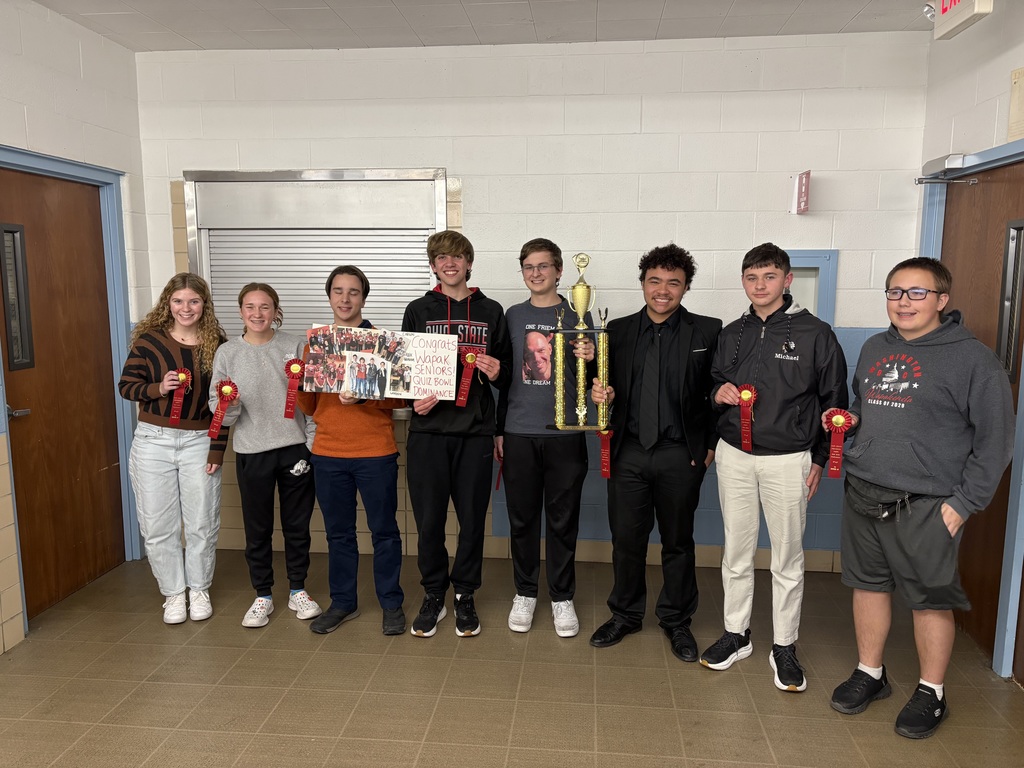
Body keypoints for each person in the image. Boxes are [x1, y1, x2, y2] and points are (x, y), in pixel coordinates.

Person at [830, 257, 1014, 739]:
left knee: (931, 601)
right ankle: (871, 674)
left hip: (929, 503)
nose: (904, 302)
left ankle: (932, 691)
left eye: (917, 293)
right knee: (867, 586)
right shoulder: (873, 347)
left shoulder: (974, 360)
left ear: (942, 300)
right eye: (895, 292)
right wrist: (850, 440)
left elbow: (996, 442)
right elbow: (860, 407)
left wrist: (963, 504)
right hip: (864, 491)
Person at [701, 243, 848, 691]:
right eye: (751, 277)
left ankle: (784, 645)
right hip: (735, 456)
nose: (759, 286)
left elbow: (834, 402)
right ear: (743, 282)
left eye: (769, 277)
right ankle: (736, 633)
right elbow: (712, 386)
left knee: (787, 558)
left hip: (789, 459)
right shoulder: (731, 332)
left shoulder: (816, 333)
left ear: (787, 280)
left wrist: (820, 459)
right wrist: (718, 395)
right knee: (736, 551)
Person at [590, 244, 721, 662]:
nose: (662, 290)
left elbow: (718, 393)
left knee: (678, 542)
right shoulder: (617, 332)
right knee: (626, 540)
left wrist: (711, 446)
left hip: (680, 454)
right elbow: (599, 387)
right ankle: (625, 615)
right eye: (655, 281)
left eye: (673, 283)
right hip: (628, 451)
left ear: (685, 288)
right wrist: (599, 394)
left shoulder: (708, 331)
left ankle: (676, 621)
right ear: (643, 283)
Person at [402, 229, 512, 638]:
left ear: (469, 262)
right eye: (441, 258)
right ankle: (434, 594)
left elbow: (508, 375)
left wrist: (498, 370)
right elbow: (405, 371)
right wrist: (414, 400)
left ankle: (465, 595)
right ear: (433, 265)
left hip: (476, 433)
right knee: (428, 521)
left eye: (457, 257)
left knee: (471, 522)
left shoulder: (492, 310)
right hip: (429, 432)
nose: (450, 264)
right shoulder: (417, 309)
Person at [297, 265, 407, 635]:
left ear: (364, 297)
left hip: (375, 452)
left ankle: (391, 602)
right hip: (328, 453)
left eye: (353, 292)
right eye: (338, 291)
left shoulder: (381, 341)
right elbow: (310, 407)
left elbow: (397, 400)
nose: (345, 299)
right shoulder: (316, 343)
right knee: (338, 534)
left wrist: (364, 397)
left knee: (384, 531)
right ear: (329, 296)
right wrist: (298, 381)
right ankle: (343, 602)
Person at [496, 238, 595, 638]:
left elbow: (592, 382)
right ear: (523, 273)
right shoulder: (511, 316)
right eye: (528, 267)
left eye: (543, 266)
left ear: (558, 271)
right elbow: (502, 379)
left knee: (562, 520)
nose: (536, 273)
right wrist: (499, 430)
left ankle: (561, 597)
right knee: (521, 519)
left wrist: (591, 361)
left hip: (565, 434)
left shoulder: (579, 315)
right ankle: (524, 593)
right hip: (519, 433)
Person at [210, 283, 321, 629]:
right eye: (250, 307)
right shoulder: (227, 353)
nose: (257, 314)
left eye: (265, 307)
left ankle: (298, 591)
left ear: (276, 311)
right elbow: (220, 414)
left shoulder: (295, 347)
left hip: (294, 449)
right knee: (257, 529)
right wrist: (231, 404)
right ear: (241, 311)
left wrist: (311, 445)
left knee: (297, 527)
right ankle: (263, 595)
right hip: (250, 452)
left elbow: (314, 400)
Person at [118, 273, 227, 624]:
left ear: (203, 305)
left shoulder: (218, 345)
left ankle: (198, 589)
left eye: (193, 301)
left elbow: (224, 406)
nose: (186, 308)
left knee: (201, 522)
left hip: (199, 442)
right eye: (179, 301)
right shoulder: (148, 342)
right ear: (169, 303)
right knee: (157, 525)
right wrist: (157, 388)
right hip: (153, 442)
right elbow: (126, 386)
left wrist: (216, 451)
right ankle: (173, 594)